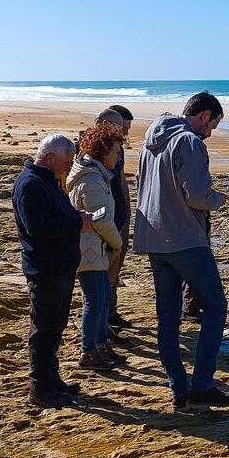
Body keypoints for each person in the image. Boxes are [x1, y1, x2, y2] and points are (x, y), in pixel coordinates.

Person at [133, 92, 229, 409]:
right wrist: (219, 200)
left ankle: (179, 388)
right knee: (217, 308)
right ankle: (203, 384)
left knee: (168, 319)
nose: (211, 133)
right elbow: (197, 195)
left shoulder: (150, 143)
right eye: (214, 125)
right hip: (184, 239)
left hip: (154, 239)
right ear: (205, 116)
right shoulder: (190, 142)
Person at [12, 134, 94, 408]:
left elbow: (56, 218)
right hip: (46, 268)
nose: (68, 167)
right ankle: (40, 387)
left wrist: (75, 219)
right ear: (49, 159)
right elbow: (38, 228)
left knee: (54, 326)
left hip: (59, 266)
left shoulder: (46, 181)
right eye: (66, 162)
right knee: (44, 329)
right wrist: (76, 223)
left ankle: (51, 379)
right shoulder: (31, 185)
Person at [67, 123, 126, 372]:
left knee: (101, 300)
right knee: (95, 301)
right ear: (103, 152)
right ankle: (89, 350)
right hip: (89, 249)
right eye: (115, 151)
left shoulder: (97, 175)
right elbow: (100, 217)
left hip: (95, 248)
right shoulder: (92, 179)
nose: (118, 156)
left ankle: (100, 345)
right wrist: (117, 242)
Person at [107, 105, 135, 330]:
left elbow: (122, 181)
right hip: (105, 219)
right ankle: (103, 322)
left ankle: (111, 312)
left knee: (116, 270)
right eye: (123, 128)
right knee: (105, 273)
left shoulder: (119, 150)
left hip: (121, 216)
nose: (126, 134)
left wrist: (128, 209)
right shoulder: (95, 150)